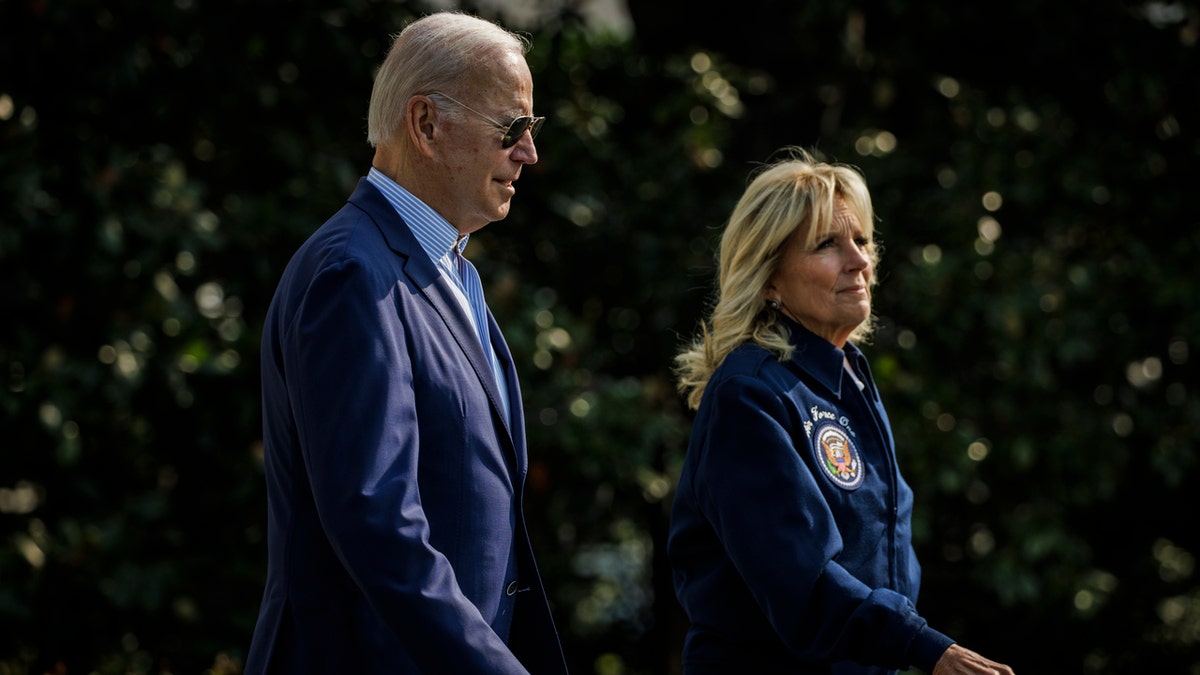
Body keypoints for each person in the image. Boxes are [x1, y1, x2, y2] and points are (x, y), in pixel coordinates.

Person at [244, 11, 567, 675]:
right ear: (426, 124)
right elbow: (376, 521)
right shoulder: (353, 272)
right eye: (513, 128)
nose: (529, 153)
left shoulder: (446, 270)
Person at [667, 148, 1015, 675]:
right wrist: (925, 648)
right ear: (769, 277)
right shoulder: (750, 395)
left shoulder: (847, 372)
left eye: (863, 240)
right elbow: (801, 580)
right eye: (828, 244)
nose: (859, 261)